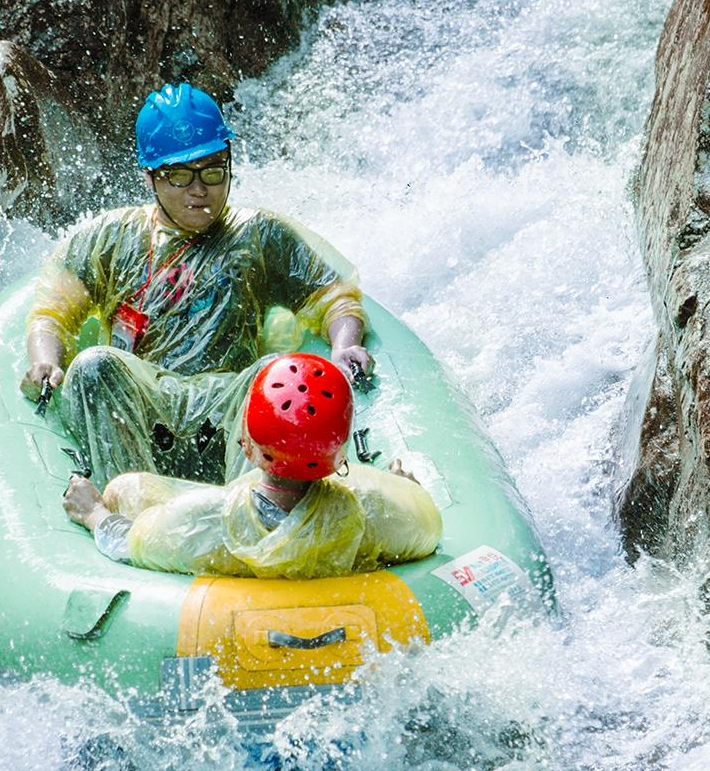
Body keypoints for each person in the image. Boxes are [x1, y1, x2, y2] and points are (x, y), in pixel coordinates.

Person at [24, 84, 373, 484]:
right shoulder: (109, 238)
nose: (199, 189)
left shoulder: (258, 234)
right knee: (94, 365)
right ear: (149, 177)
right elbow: (51, 315)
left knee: (277, 374)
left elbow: (335, 298)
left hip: (229, 406)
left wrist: (344, 345)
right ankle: (128, 503)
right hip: (143, 404)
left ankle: (255, 507)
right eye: (179, 175)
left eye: (212, 170)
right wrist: (44, 361)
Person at [62, 353, 442, 580]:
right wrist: (406, 490)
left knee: (128, 488)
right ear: (340, 455)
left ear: (244, 443)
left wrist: (94, 512)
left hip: (212, 592)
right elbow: (425, 525)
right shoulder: (376, 512)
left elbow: (127, 543)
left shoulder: (202, 520)